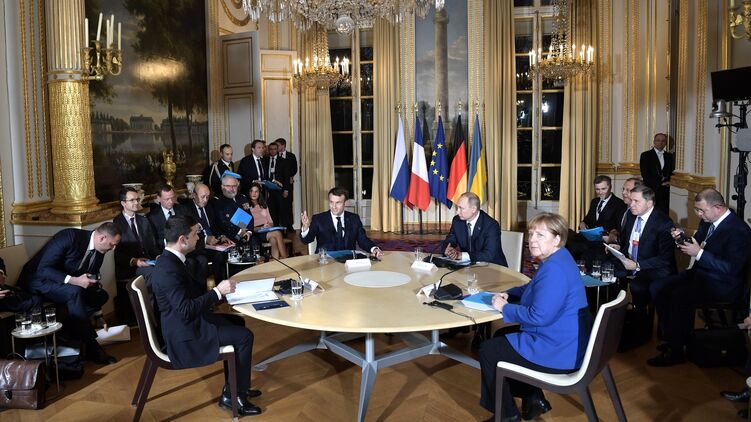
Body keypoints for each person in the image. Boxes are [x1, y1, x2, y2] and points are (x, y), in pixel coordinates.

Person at [478, 212, 591, 421]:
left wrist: (505, 308)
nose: (532, 240)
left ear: (557, 239)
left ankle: (507, 416)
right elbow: (534, 288)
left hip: (559, 349)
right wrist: (510, 294)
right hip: (565, 338)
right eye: (531, 234)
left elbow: (539, 317)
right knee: (500, 336)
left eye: (540, 235)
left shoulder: (554, 270)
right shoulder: (560, 257)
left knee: (488, 351)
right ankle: (532, 397)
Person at [149, 215, 261, 416]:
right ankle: (235, 396)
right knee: (245, 337)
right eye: (195, 234)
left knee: (237, 322)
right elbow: (185, 310)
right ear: (182, 240)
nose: (199, 238)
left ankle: (235, 386)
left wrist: (221, 293)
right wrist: (217, 292)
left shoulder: (171, 260)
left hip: (186, 324)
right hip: (184, 336)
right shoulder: (168, 269)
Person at [647, 189, 751, 367]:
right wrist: (681, 239)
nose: (699, 214)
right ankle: (674, 338)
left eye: (702, 210)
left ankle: (676, 350)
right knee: (657, 287)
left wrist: (699, 253)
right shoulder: (707, 221)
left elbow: (732, 269)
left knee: (680, 295)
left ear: (718, 207)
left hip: (723, 284)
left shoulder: (738, 230)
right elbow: (696, 244)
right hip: (700, 275)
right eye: (697, 210)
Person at [18, 223, 121, 364]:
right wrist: (74, 280)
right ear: (102, 238)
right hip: (38, 280)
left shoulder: (99, 252)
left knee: (101, 295)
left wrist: (98, 316)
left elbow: (92, 282)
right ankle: (92, 346)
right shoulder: (69, 237)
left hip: (63, 283)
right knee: (74, 292)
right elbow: (43, 268)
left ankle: (72, 335)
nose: (113, 248)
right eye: (112, 244)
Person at [609, 184, 676, 310]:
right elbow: (628, 242)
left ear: (649, 203)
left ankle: (640, 316)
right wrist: (618, 247)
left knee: (638, 286)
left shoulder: (664, 222)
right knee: (605, 269)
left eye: (636, 201)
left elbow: (665, 258)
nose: (631, 204)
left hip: (652, 267)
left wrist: (637, 265)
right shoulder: (631, 215)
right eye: (631, 200)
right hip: (629, 260)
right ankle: (615, 311)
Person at [300, 187, 383, 258]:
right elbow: (306, 240)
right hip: (326, 261)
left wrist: (374, 249)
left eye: (338, 203)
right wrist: (306, 227)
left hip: (348, 260)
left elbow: (363, 240)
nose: (334, 206)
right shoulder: (319, 219)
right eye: (331, 202)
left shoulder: (354, 219)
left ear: (345, 203)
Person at [177, 183, 232, 283]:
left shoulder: (209, 206)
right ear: (194, 195)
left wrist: (221, 236)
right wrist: (206, 239)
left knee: (223, 254)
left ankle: (222, 284)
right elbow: (189, 233)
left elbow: (216, 225)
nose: (205, 200)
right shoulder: (187, 209)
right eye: (202, 197)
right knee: (202, 260)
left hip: (212, 244)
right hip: (197, 245)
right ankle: (204, 290)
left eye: (207, 197)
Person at [441, 192, 507, 266]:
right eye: (457, 208)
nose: (457, 212)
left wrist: (461, 255)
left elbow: (489, 255)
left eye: (461, 208)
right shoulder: (457, 221)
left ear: (473, 209)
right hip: (468, 266)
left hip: (493, 267)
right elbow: (450, 240)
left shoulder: (491, 225)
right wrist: (448, 250)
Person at [113, 187, 160, 281]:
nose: (136, 202)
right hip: (130, 268)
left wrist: (158, 257)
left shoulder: (143, 220)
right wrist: (135, 261)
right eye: (132, 200)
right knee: (155, 274)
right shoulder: (116, 223)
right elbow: (118, 254)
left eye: (137, 199)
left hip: (148, 262)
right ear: (123, 203)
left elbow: (152, 245)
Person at [248, 183, 288, 259]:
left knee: (273, 240)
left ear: (259, 193)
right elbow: (246, 227)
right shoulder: (246, 206)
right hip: (256, 232)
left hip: (267, 230)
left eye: (256, 191)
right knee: (278, 233)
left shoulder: (264, 205)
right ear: (249, 192)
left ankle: (274, 264)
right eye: (252, 191)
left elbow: (271, 222)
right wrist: (261, 228)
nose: (254, 193)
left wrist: (269, 225)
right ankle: (286, 259)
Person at [213, 174, 254, 244]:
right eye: (228, 186)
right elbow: (223, 222)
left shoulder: (242, 198)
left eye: (234, 186)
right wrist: (240, 232)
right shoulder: (218, 201)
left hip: (246, 235)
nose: (232, 189)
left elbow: (250, 217)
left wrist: (249, 232)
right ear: (222, 186)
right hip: (229, 237)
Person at [640, 133, 674, 214]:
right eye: (658, 140)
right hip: (651, 190)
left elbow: (671, 173)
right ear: (654, 142)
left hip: (666, 192)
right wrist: (660, 183)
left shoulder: (669, 156)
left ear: (665, 143)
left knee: (664, 214)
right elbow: (645, 174)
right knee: (651, 213)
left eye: (663, 141)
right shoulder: (645, 155)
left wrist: (669, 182)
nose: (660, 143)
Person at [147, 183, 182, 253]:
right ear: (158, 198)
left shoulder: (183, 209)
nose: (171, 201)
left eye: (172, 198)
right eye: (167, 199)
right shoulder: (151, 217)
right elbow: (153, 241)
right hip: (164, 251)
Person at [263, 142, 290, 229]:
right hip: (268, 189)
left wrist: (286, 189)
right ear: (268, 150)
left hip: (280, 189)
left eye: (274, 149)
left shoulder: (283, 161)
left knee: (282, 210)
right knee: (271, 210)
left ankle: (284, 230)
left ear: (277, 150)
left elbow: (286, 176)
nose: (273, 151)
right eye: (271, 149)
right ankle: (275, 228)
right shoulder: (265, 160)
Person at [276, 138, 297, 232]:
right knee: (279, 205)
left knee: (288, 205)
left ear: (283, 145)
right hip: (278, 185)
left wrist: (290, 176)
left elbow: (294, 168)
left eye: (278, 145)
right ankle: (280, 226)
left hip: (288, 184)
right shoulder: (275, 156)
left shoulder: (291, 156)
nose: (276, 147)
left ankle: (289, 225)